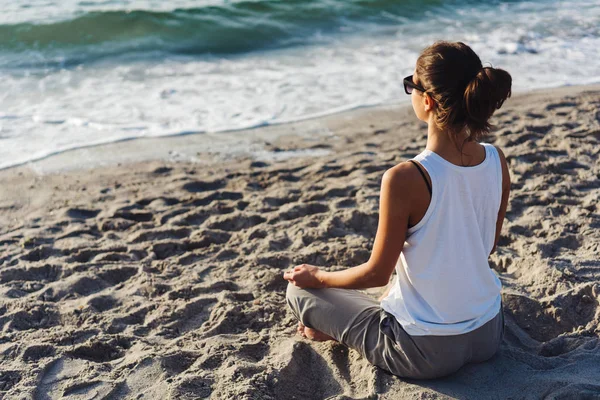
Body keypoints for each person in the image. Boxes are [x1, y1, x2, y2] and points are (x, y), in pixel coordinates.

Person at [283, 41, 512, 379]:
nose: (410, 92)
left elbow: (376, 274)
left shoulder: (406, 177)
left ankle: (339, 331)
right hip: (487, 333)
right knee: (395, 288)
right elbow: (487, 246)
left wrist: (318, 276)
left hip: (425, 352)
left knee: (299, 289)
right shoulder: (496, 160)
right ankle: (343, 327)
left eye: (411, 84)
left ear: (428, 100)